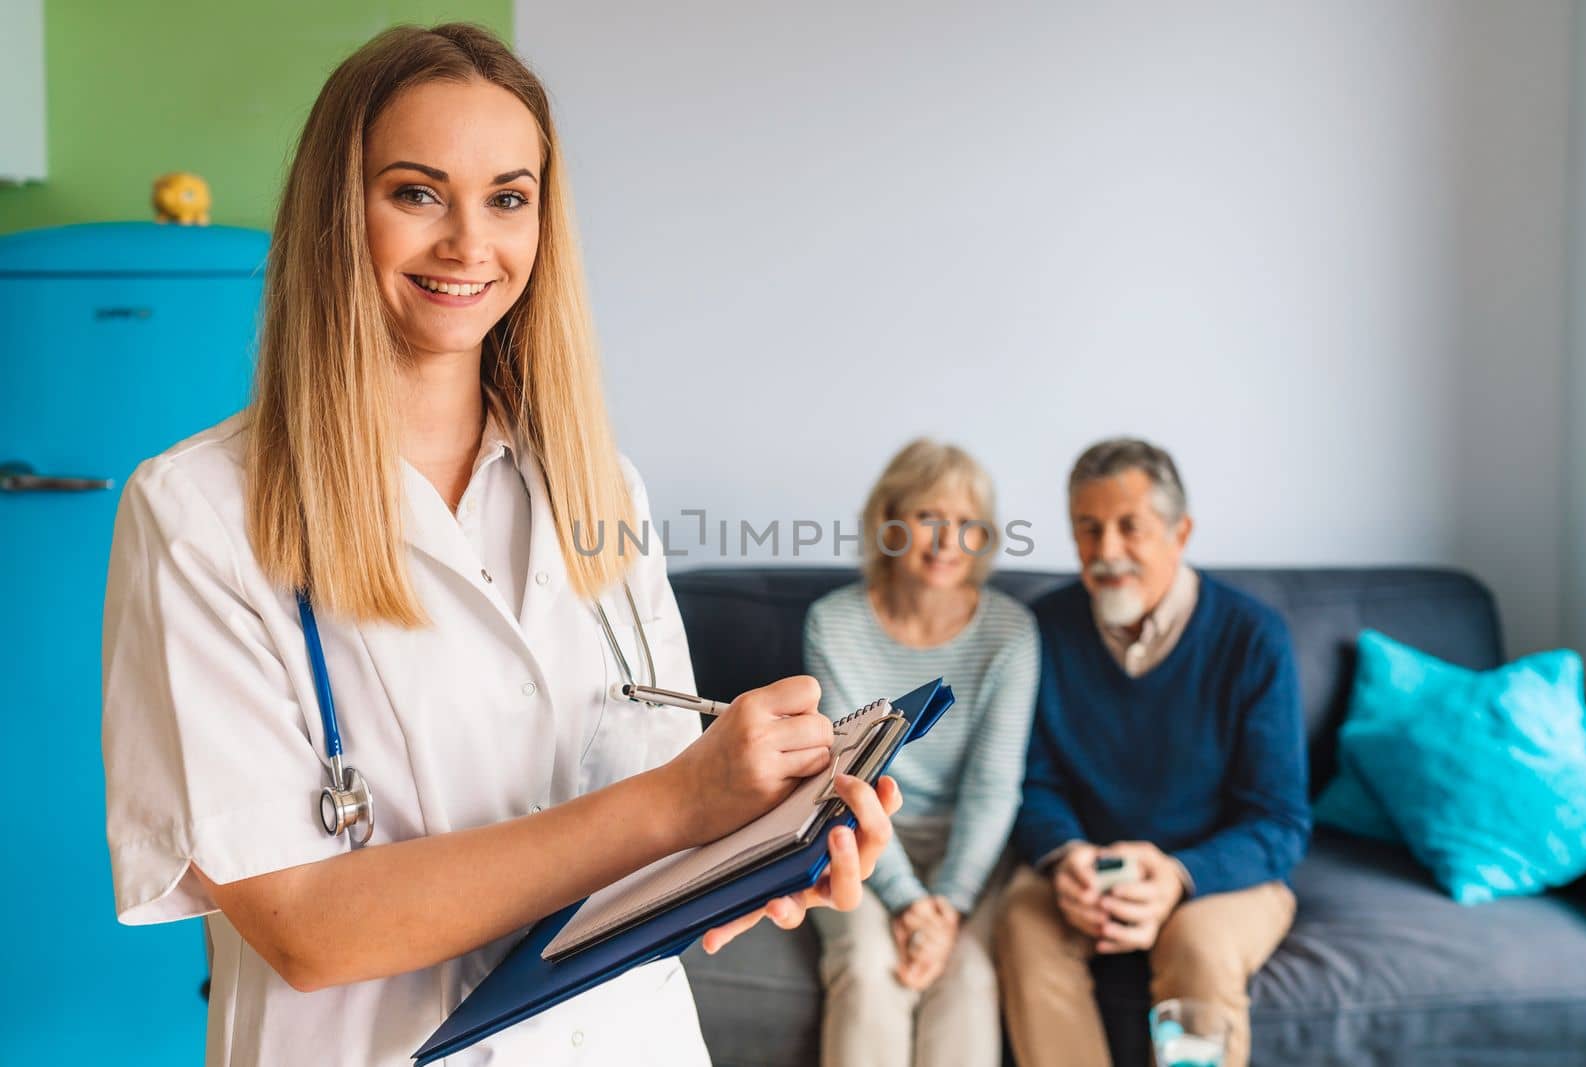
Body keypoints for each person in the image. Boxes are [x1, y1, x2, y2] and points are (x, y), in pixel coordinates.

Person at [100, 24, 898, 1067]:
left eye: (508, 197)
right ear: (340, 213)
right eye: (417, 192)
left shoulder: (597, 484)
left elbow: (659, 825)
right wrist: (676, 802)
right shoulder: (199, 511)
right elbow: (304, 924)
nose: (469, 244)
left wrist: (766, 848)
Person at [994, 438, 1311, 1067]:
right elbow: (1034, 782)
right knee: (1022, 925)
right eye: (1089, 529)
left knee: (1198, 947)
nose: (1106, 551)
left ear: (1180, 532)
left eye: (1129, 527)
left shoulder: (1253, 637)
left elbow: (1280, 821)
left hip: (1216, 876)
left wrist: (1177, 876)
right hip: (1089, 866)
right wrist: (1068, 857)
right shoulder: (1045, 628)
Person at [804, 439, 1039, 1067]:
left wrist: (948, 907)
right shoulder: (832, 623)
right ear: (890, 521)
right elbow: (852, 779)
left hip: (971, 846)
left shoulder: (1011, 633)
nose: (946, 541)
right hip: (857, 828)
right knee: (867, 966)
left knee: (965, 978)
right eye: (930, 517)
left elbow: (993, 788)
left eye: (967, 525)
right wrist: (908, 901)